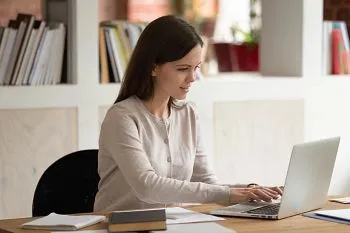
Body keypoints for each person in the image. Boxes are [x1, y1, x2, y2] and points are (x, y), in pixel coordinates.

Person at [94, 15, 282, 211]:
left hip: (175, 224)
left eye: (196, 68)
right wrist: (228, 194)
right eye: (183, 68)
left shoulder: (188, 113)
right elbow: (147, 186)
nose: (192, 78)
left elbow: (205, 181)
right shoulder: (122, 117)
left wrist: (248, 191)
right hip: (121, 226)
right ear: (153, 68)